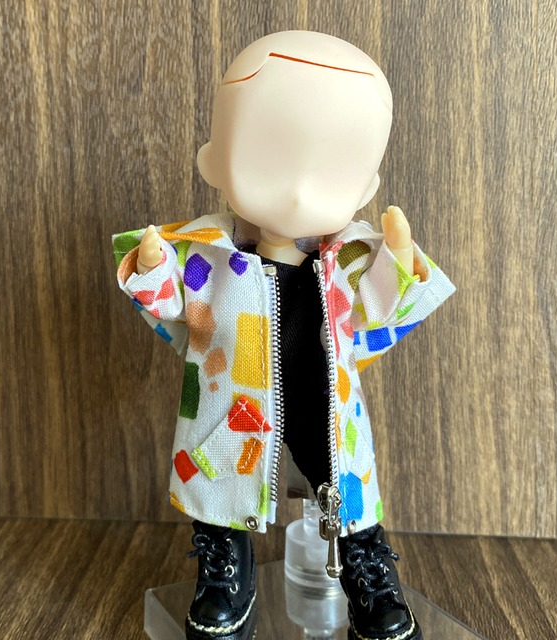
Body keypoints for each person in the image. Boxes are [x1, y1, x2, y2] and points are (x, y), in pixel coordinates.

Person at [113, 30, 455, 640]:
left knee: (345, 482)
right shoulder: (210, 255)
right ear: (214, 160)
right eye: (267, 158)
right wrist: (154, 266)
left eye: (335, 170)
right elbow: (173, 305)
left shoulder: (346, 261)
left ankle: (366, 567)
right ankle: (225, 567)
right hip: (231, 403)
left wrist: (397, 262)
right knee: (220, 484)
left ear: (366, 189)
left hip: (323, 400)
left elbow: (378, 310)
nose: (298, 190)